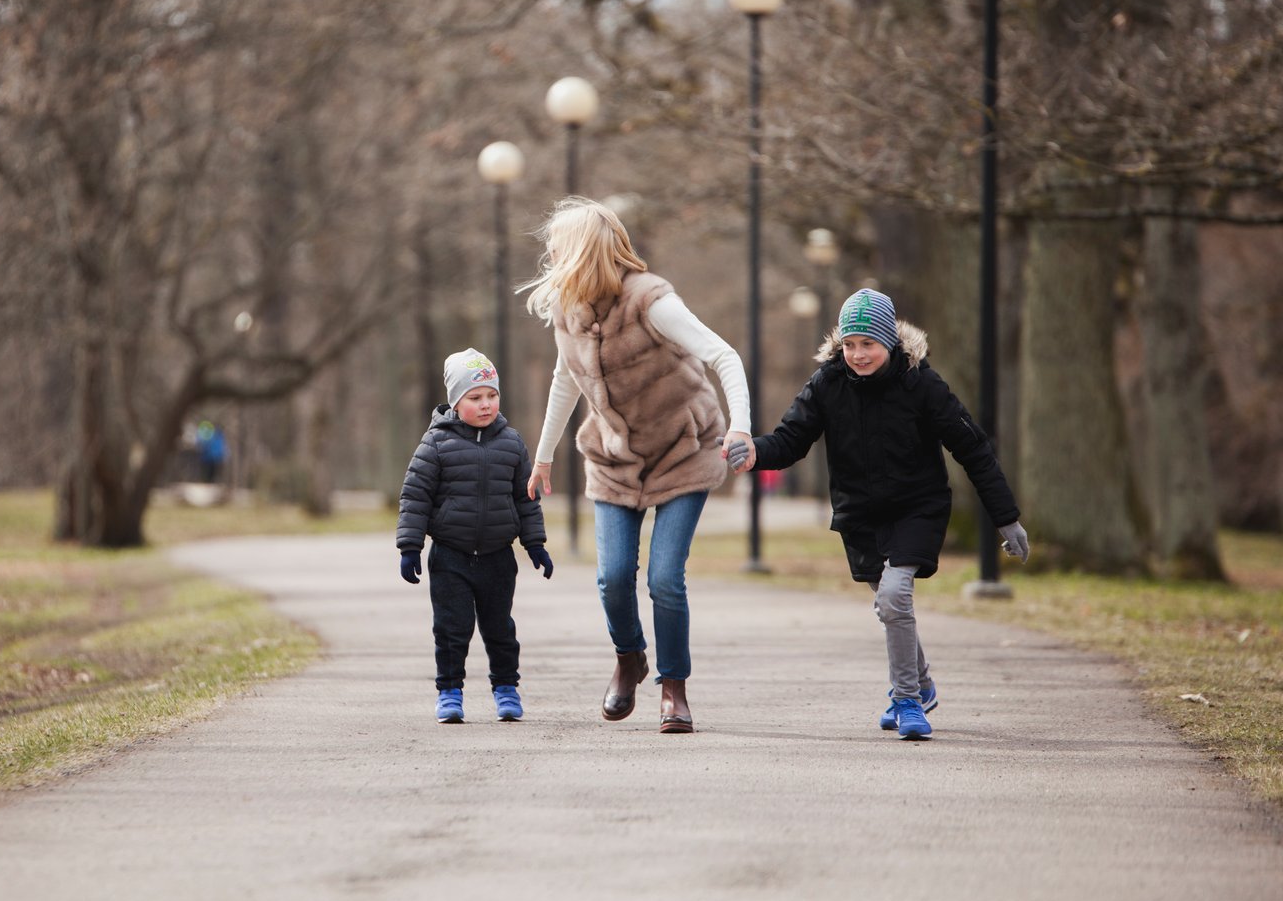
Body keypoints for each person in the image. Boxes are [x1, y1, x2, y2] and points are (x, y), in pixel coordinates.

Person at [745, 287, 1030, 740]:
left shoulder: (922, 384)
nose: (857, 355)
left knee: (896, 597)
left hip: (917, 507)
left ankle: (907, 700)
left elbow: (972, 448)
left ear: (890, 343)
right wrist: (752, 453)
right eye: (850, 345)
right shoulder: (827, 383)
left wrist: (1006, 517)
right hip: (860, 514)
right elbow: (790, 440)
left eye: (868, 345)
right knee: (887, 603)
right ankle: (922, 683)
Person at [521, 197, 753, 735]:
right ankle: (630, 658)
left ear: (583, 251)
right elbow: (564, 380)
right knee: (612, 578)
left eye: (558, 247)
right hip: (613, 459)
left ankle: (673, 689)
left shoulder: (651, 301)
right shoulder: (568, 308)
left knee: (666, 578)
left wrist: (739, 425)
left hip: (682, 451)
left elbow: (725, 357)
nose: (551, 256)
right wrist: (544, 455)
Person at [396, 348, 554, 724]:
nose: (486, 405)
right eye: (475, 397)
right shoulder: (435, 445)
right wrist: (409, 547)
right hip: (451, 555)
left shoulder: (512, 443)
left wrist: (535, 544)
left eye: (492, 396)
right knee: (451, 628)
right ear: (456, 401)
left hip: (499, 556)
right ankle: (449, 692)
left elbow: (525, 498)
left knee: (501, 628)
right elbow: (415, 497)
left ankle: (506, 689)